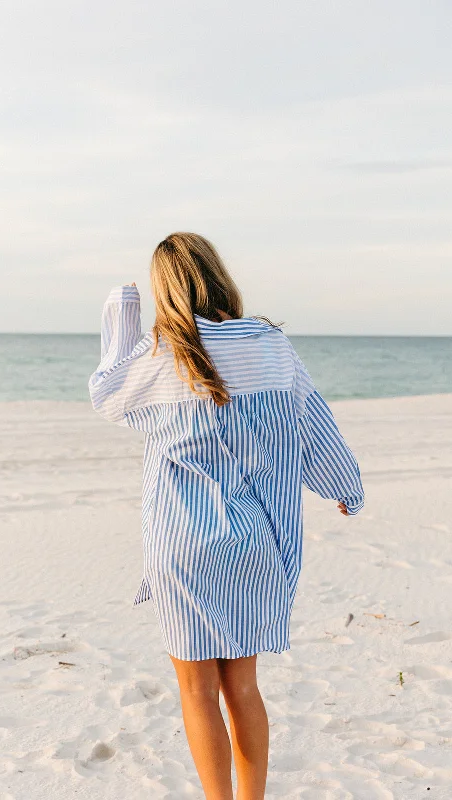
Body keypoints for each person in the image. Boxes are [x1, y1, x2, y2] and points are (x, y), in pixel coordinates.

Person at [88, 232, 364, 800]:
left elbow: (106, 394)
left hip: (183, 545)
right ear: (218, 275)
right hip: (255, 542)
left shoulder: (160, 357)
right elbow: (312, 420)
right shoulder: (268, 342)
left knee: (196, 690)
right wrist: (343, 484)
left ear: (166, 288)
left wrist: (123, 311)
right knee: (243, 685)